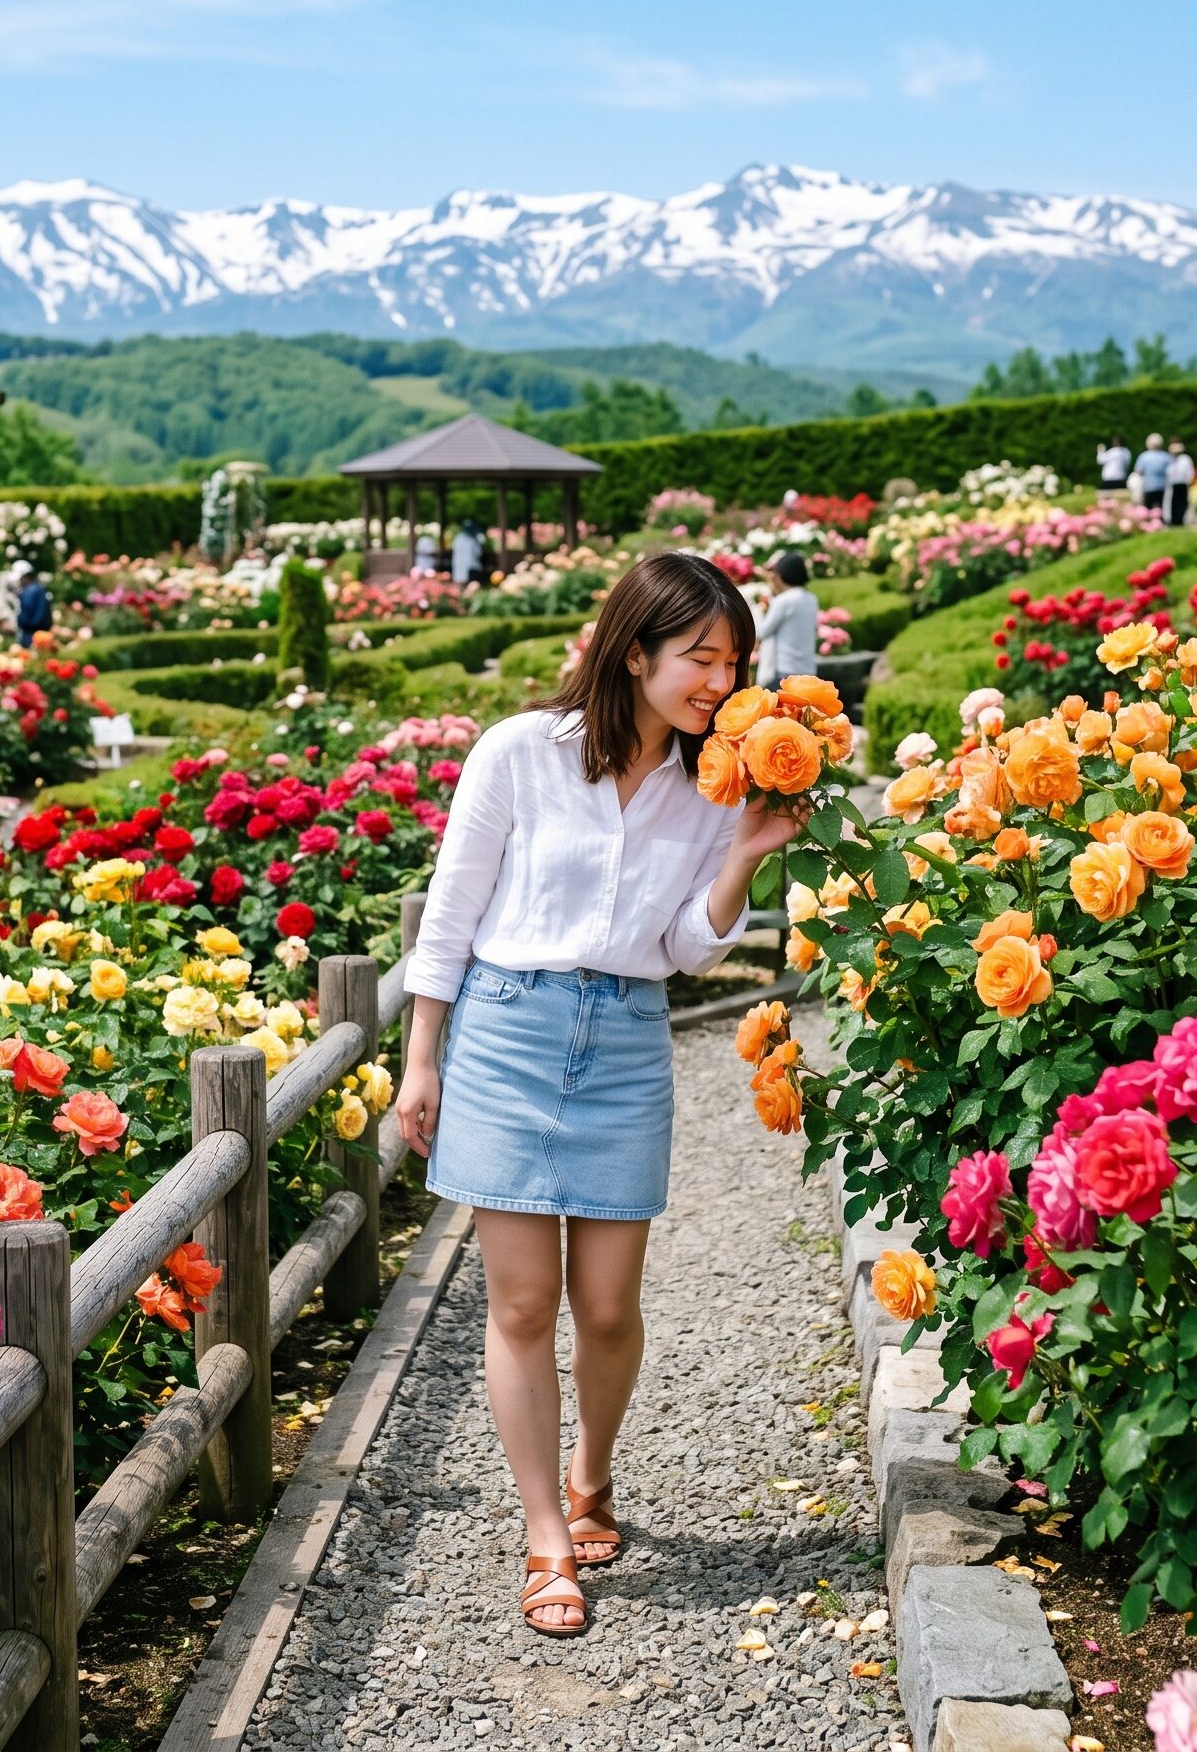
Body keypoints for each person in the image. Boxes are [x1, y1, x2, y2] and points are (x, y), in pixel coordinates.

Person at [395, 551, 800, 1637]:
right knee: (521, 1302)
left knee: (608, 1305)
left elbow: (679, 946)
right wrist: (420, 1055)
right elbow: (451, 912)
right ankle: (542, 1536)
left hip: (624, 1034)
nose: (717, 680)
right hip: (506, 1030)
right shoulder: (520, 752)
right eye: (698, 656)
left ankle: (591, 1473)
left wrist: (744, 855)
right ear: (635, 649)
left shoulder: (711, 789)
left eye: (732, 660)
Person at [752, 551, 819, 693]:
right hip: (807, 671)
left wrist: (758, 609)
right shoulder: (811, 599)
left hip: (784, 672)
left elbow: (762, 631)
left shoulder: (783, 601)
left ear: (782, 574)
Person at [14, 564, 53, 647]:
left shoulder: (29, 591)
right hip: (43, 633)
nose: (19, 581)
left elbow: (26, 616)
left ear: (25, 576)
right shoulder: (40, 588)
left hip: (30, 634)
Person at [1133, 433, 1171, 513]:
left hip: (1148, 486)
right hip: (1162, 486)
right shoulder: (1166, 456)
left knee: (1148, 507)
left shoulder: (1144, 456)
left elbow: (1138, 472)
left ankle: (1149, 524)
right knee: (1160, 507)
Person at [1166, 438, 1195, 527]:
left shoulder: (1185, 459)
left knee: (1183, 503)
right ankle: (1174, 520)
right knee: (1173, 503)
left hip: (1183, 484)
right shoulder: (1170, 459)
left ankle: (1180, 519)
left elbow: (1189, 471)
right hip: (1173, 484)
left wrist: (1189, 481)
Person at [450, 518, 485, 586]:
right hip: (470, 569)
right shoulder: (472, 539)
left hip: (462, 568)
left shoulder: (458, 538)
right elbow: (479, 553)